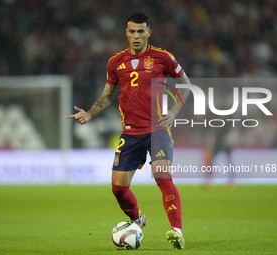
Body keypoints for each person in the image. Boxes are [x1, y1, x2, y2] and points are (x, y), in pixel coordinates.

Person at [66, 13, 190, 250]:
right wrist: (90, 113)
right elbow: (107, 96)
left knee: (163, 178)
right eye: (132, 31)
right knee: (118, 188)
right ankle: (137, 220)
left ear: (148, 32)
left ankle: (176, 231)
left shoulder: (163, 57)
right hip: (131, 133)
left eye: (140, 31)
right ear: (126, 32)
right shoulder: (115, 62)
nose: (136, 36)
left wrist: (173, 112)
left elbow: (185, 83)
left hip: (158, 130)